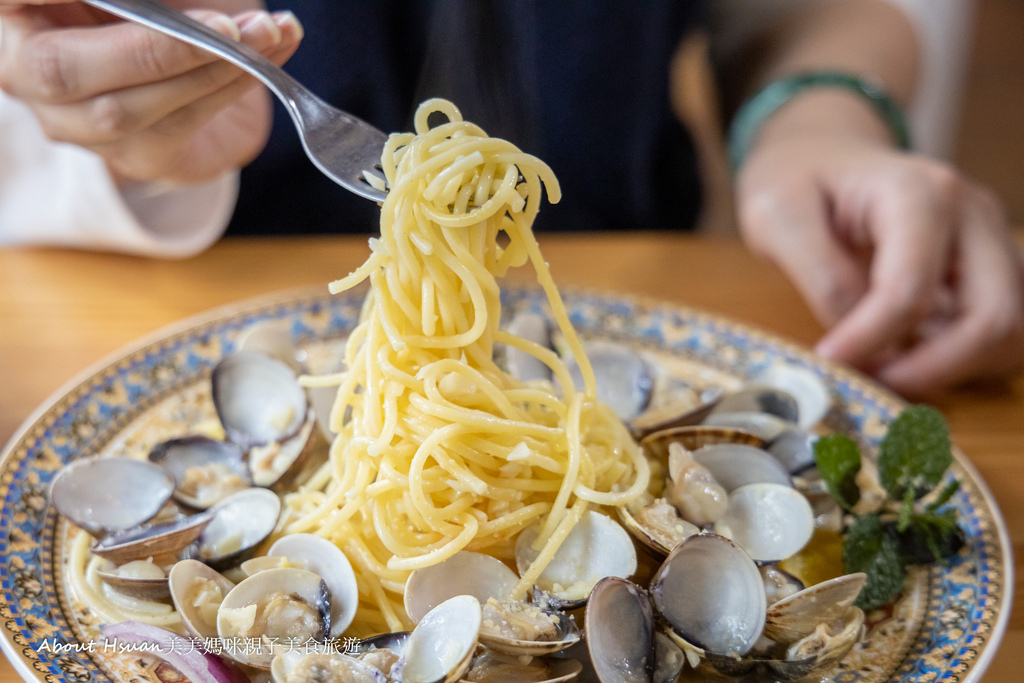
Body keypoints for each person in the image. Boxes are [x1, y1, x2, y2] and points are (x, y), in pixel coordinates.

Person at [0, 0, 1021, 398]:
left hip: (623, 299)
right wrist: (112, 120)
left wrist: (812, 120)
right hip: (166, 292)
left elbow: (810, 16)